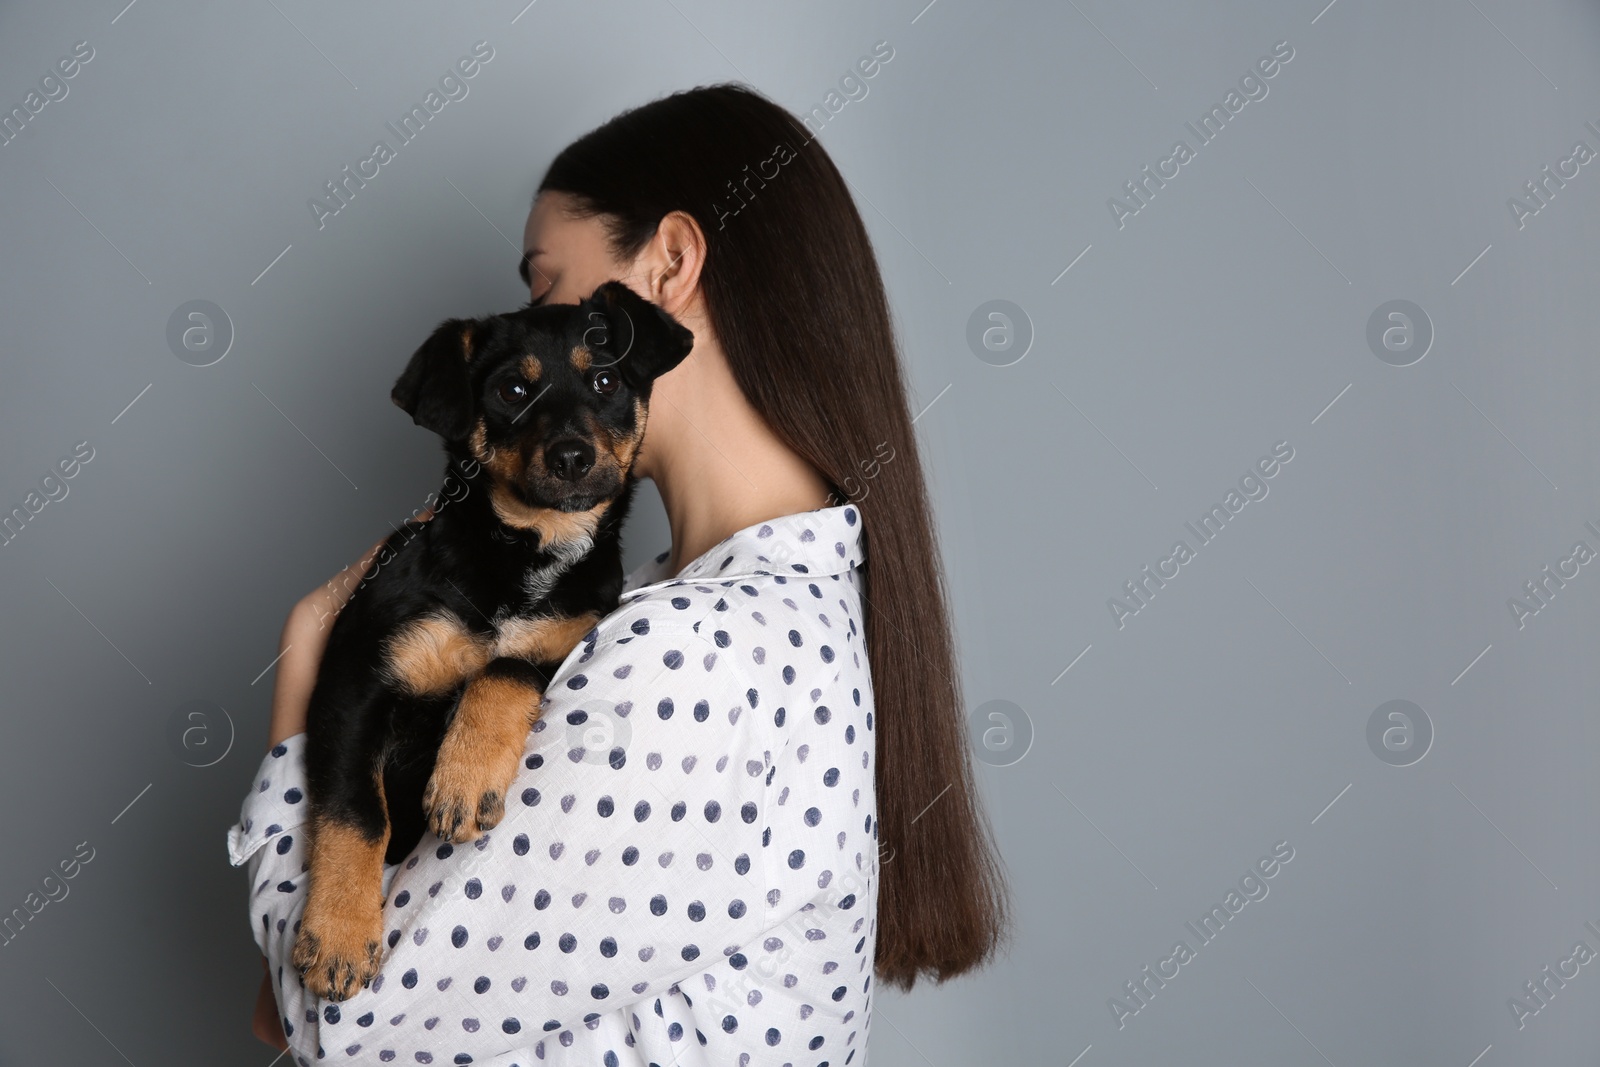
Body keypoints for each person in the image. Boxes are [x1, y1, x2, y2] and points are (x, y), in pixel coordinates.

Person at [229, 82, 1009, 1065]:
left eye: (546, 287)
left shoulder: (690, 658)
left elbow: (323, 1022)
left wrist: (308, 657)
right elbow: (294, 998)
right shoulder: (698, 606)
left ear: (671, 263)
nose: (531, 335)